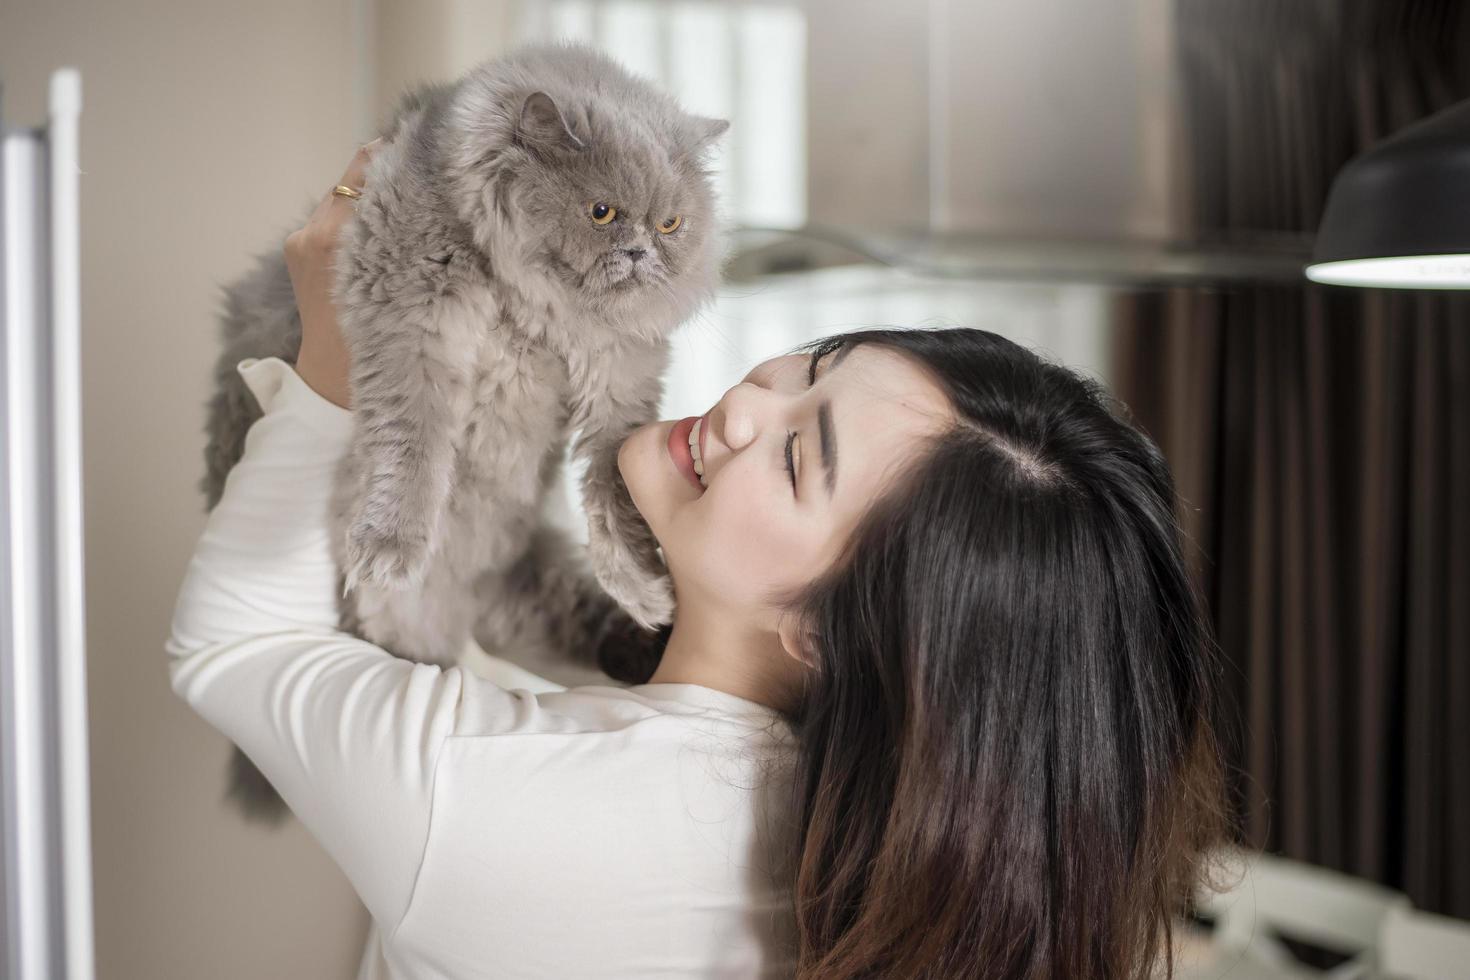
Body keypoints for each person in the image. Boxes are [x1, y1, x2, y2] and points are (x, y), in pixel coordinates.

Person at [167, 142, 1228, 980]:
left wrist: (343, 360)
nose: (745, 408)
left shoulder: (519, 805)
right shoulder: (878, 843)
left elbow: (237, 645)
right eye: (813, 365)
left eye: (800, 453)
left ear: (828, 626)